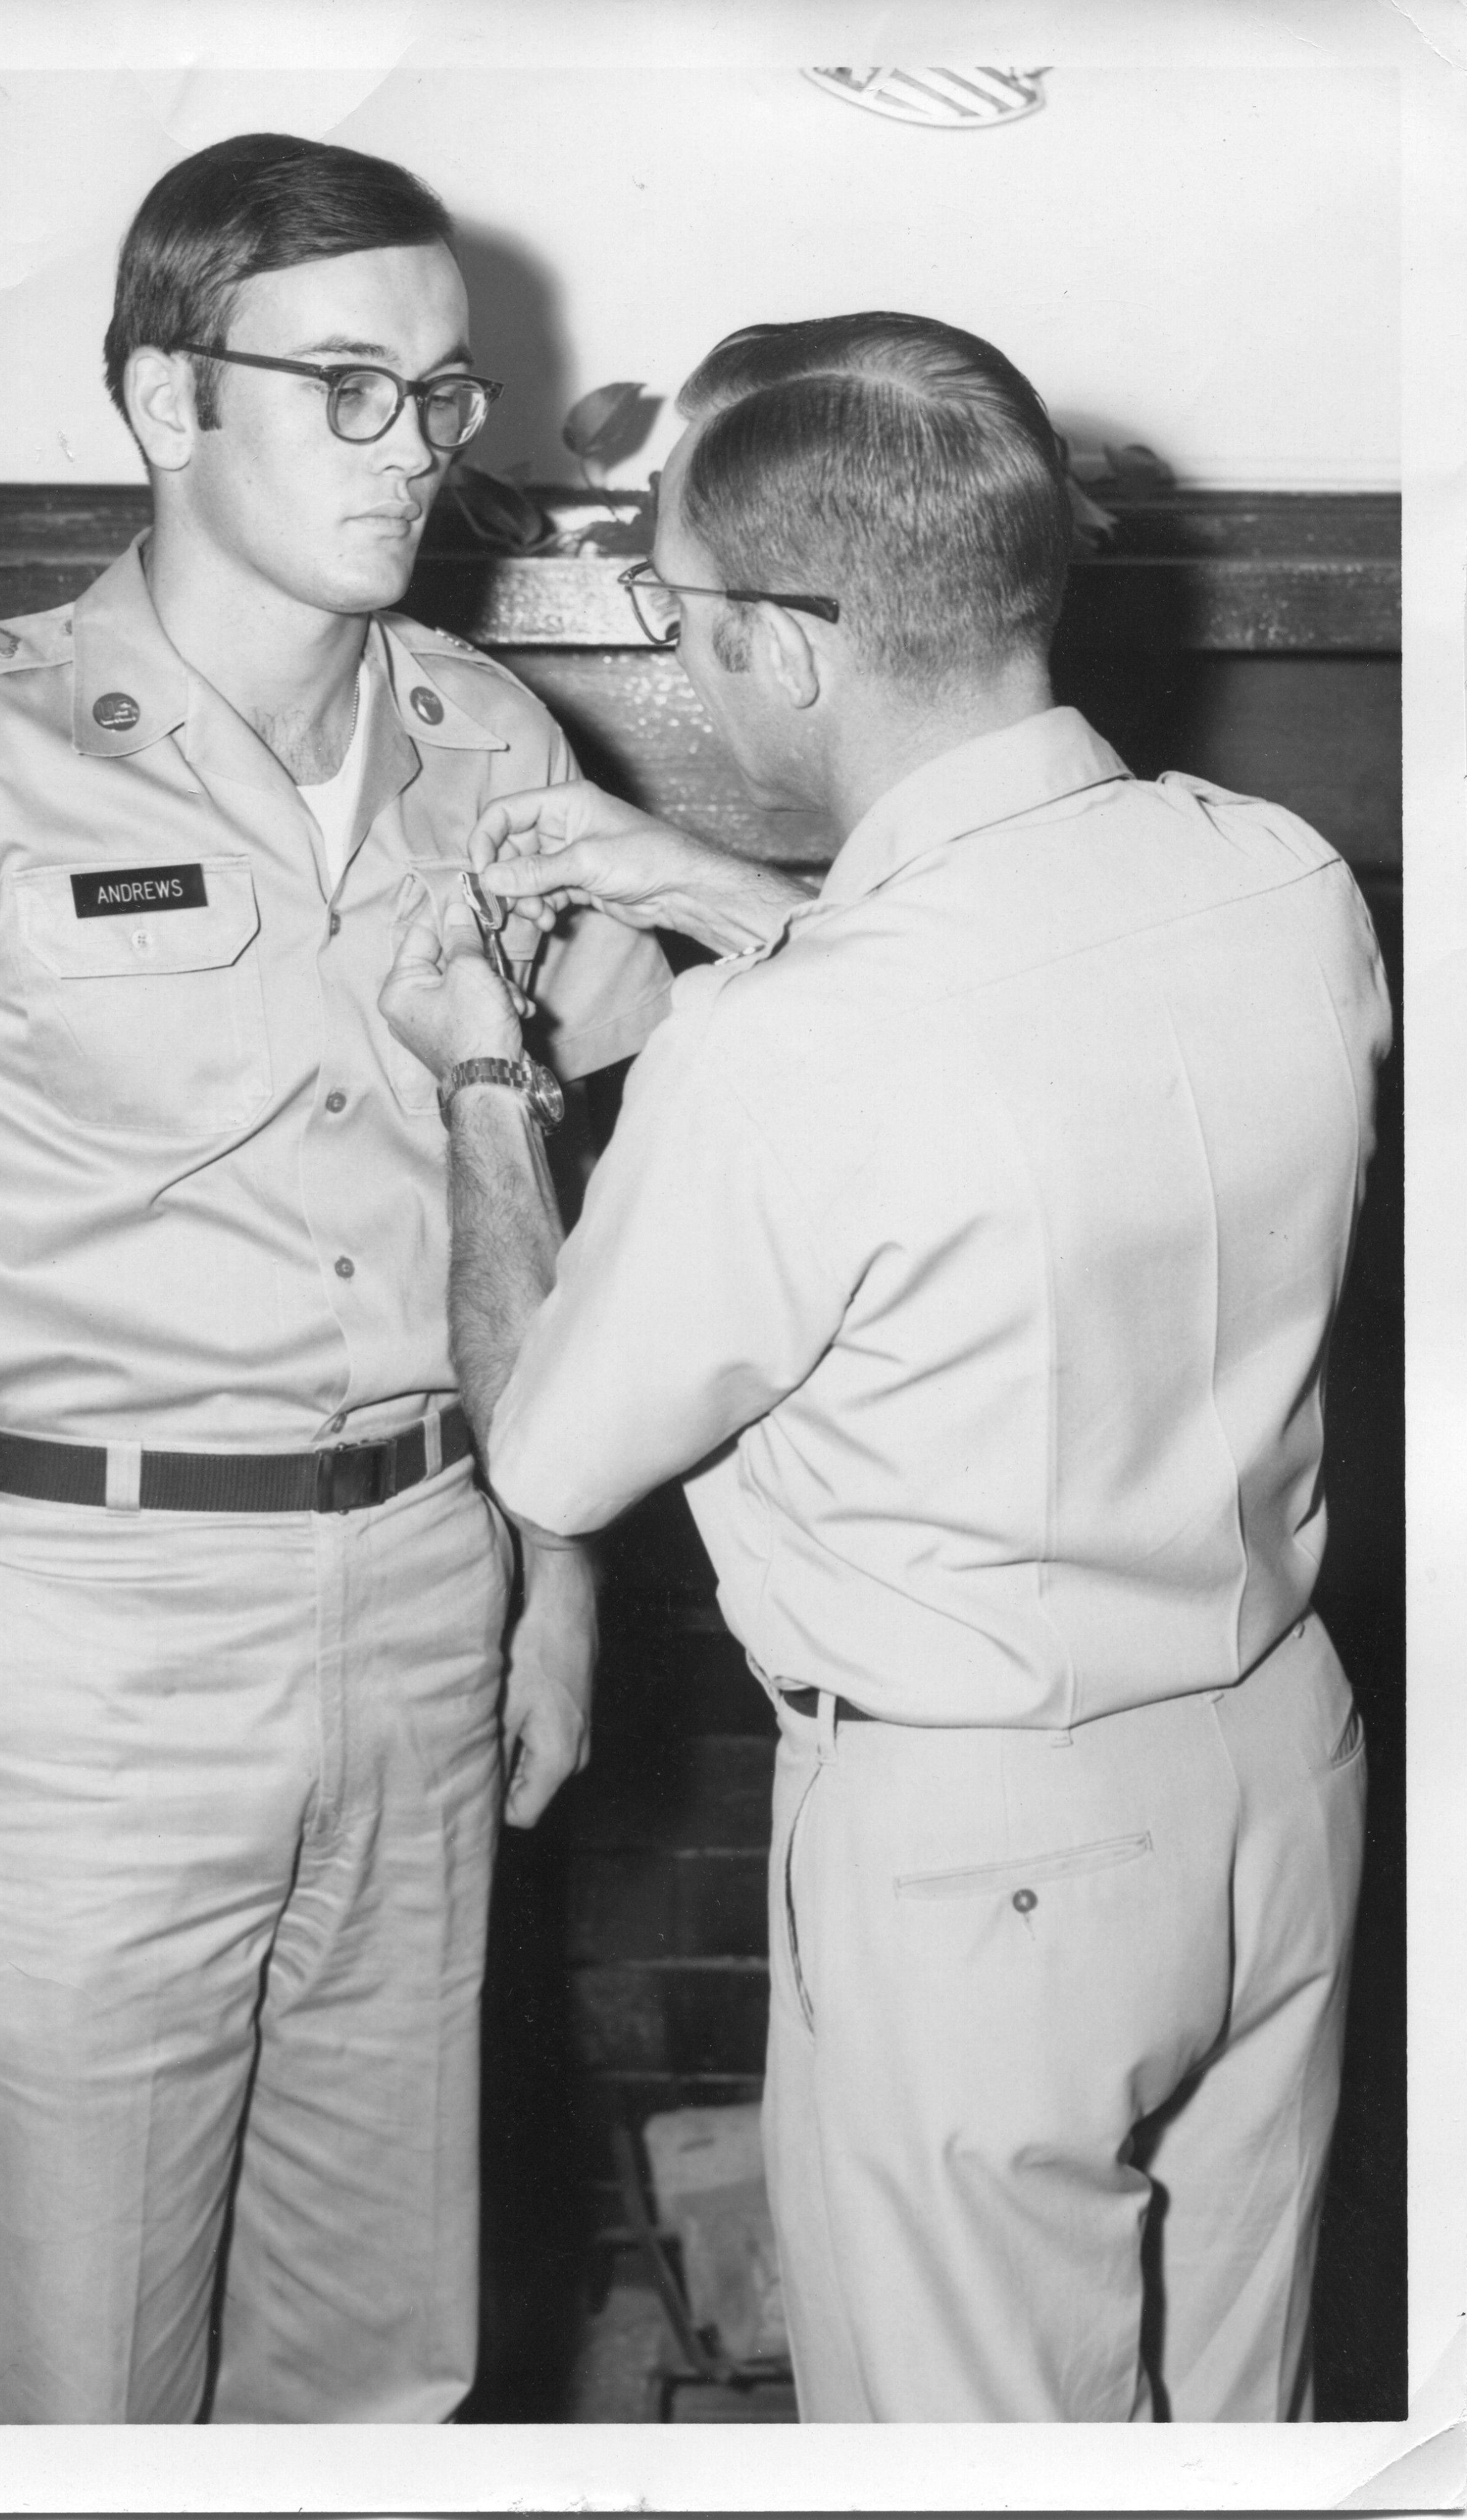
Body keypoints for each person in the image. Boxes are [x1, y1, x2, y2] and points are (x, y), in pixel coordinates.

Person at [380, 311, 1391, 2423]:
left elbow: (553, 1451)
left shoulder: (795, 1054)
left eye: (677, 596)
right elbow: (1026, 1022)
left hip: (984, 1861)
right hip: (1280, 1780)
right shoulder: (1279, 881)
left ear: (783, 645)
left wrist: (487, 1069)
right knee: (1236, 2434)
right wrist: (747, 905)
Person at [0, 132, 671, 2425]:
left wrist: (550, 1570)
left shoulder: (489, 741)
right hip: (92, 1639)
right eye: (347, 389)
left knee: (388, 2372)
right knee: (84, 2384)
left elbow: (531, 1198)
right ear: (171, 404)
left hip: (432, 1582)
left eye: (447, 399)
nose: (418, 455)